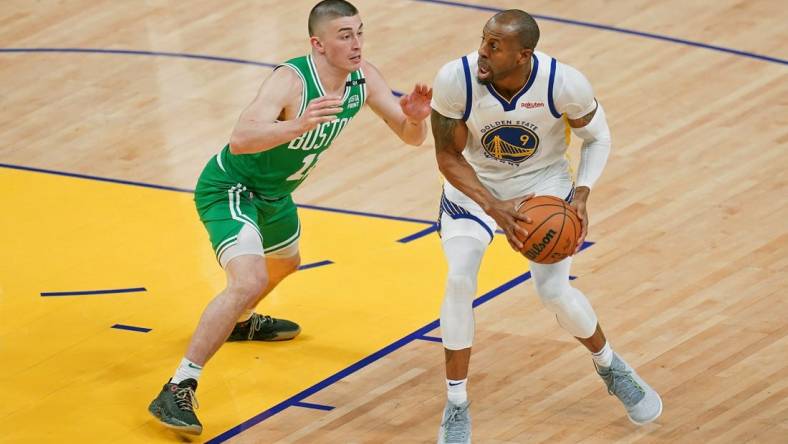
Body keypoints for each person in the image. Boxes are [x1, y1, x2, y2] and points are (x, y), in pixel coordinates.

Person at [148, 0, 432, 435]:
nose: (356, 43)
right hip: (231, 188)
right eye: (344, 35)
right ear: (318, 43)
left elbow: (410, 138)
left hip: (275, 194)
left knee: (285, 264)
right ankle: (179, 384)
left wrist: (416, 120)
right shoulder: (292, 80)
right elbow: (241, 139)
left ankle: (240, 323)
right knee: (248, 281)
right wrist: (296, 126)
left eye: (359, 32)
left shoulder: (364, 78)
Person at [430, 9, 662, 443]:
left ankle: (611, 366)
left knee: (553, 290)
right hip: (475, 188)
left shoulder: (564, 83)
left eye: (494, 46)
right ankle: (456, 403)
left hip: (543, 183)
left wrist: (584, 193)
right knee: (459, 281)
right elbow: (447, 157)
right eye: (483, 39)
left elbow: (599, 137)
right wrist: (493, 205)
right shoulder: (455, 79)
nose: (482, 51)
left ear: (524, 55)